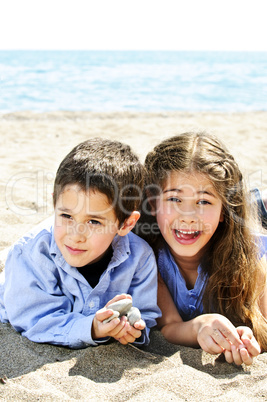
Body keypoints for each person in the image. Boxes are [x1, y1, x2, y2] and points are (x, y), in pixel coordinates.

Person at [0, 138, 161, 348]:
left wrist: (132, 330)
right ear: (54, 203)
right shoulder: (30, 253)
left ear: (126, 224)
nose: (76, 235)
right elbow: (35, 319)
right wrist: (91, 328)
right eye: (66, 216)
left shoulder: (140, 257)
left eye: (93, 221)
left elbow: (146, 315)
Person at [139, 131, 267, 365]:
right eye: (174, 199)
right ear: (152, 202)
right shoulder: (145, 257)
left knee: (255, 210)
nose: (188, 216)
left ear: (223, 210)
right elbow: (169, 326)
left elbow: (262, 324)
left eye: (203, 201)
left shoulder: (251, 259)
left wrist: (247, 334)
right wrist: (200, 326)